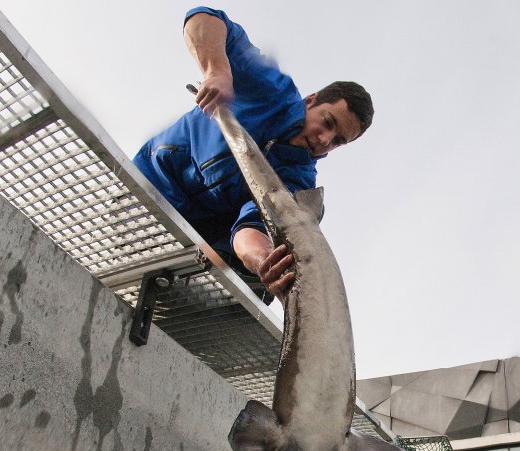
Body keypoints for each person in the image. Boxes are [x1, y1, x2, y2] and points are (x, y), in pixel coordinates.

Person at [133, 7, 372, 302]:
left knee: (266, 278)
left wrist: (262, 260)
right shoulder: (268, 87)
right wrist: (218, 71)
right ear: (311, 101)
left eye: (338, 141)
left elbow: (252, 227)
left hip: (201, 234)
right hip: (153, 183)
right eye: (327, 122)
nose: (324, 140)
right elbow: (202, 18)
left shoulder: (298, 180)